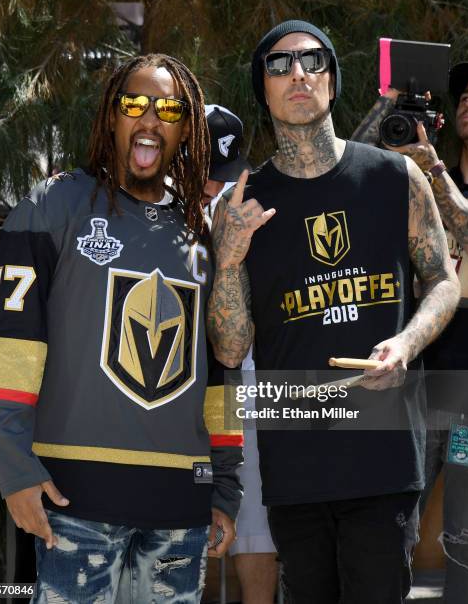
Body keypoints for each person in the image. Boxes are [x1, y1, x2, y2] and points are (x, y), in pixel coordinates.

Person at [206, 19, 460, 604]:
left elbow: (441, 280)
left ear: (333, 80)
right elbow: (229, 347)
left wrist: (407, 344)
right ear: (263, 88)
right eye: (280, 64)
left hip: (384, 456)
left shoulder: (396, 176)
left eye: (314, 61)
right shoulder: (241, 206)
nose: (299, 73)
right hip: (296, 461)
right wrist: (228, 260)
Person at [0, 53, 242, 603]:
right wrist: (16, 469)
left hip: (181, 503)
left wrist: (224, 484)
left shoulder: (202, 232)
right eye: (134, 104)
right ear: (110, 116)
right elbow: (11, 350)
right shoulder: (53, 205)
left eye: (168, 108)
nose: (150, 120)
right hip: (74, 500)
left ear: (187, 126)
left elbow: (222, 368)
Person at [353, 61, 468, 604]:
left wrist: (434, 169)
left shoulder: (436, 175)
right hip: (419, 372)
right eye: (465, 95)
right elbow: (343, 169)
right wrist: (388, 105)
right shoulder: (417, 172)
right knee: (400, 510)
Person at [203, 104, 278, 604]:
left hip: (240, 382)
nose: (215, 191)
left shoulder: (245, 201)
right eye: (207, 176)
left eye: (224, 178)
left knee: (252, 523)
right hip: (172, 384)